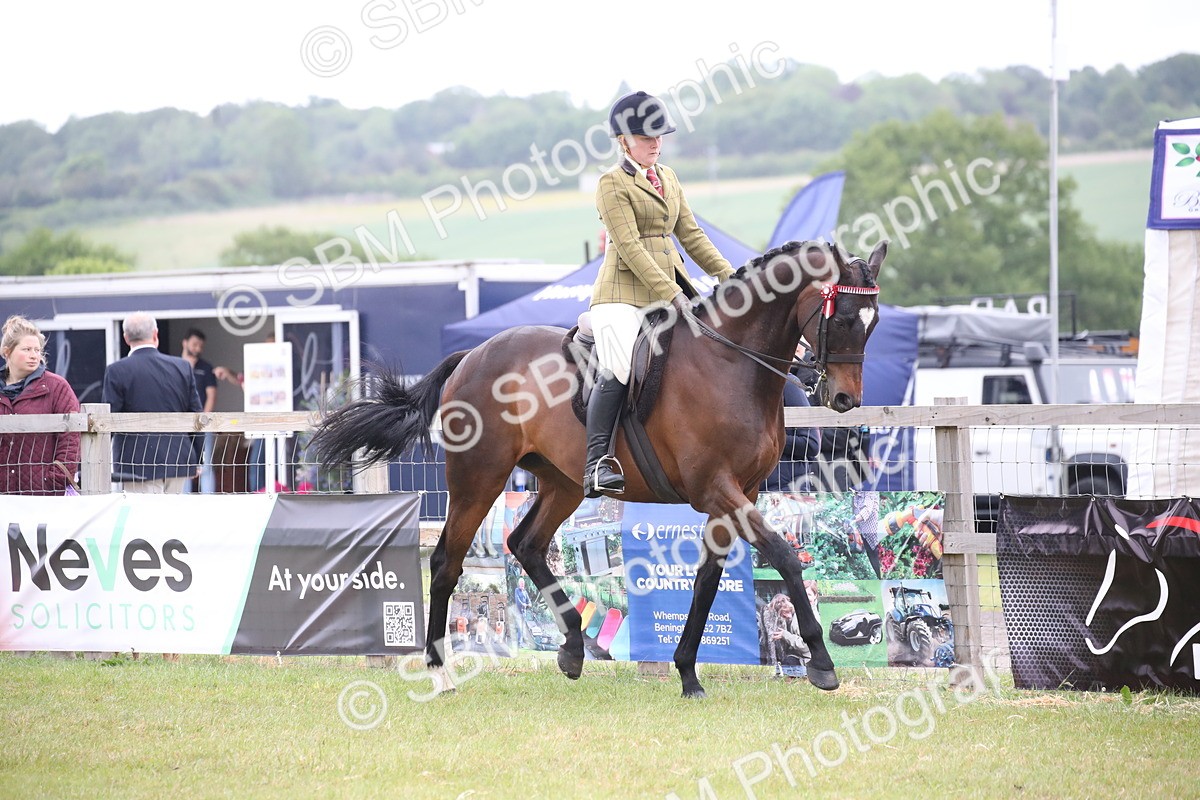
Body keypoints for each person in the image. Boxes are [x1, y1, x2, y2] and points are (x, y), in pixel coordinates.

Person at [585, 90, 736, 497]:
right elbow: (630, 247)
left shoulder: (668, 177)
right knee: (617, 367)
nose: (655, 143)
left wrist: (729, 275)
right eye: (645, 136)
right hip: (621, 296)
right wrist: (671, 293)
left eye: (659, 136)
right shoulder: (611, 183)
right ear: (623, 141)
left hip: (671, 290)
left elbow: (691, 233)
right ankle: (597, 462)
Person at [103, 312, 203, 493]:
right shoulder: (182, 367)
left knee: (143, 519)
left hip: (136, 463)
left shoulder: (116, 371)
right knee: (172, 518)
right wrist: (196, 459)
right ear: (155, 334)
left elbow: (107, 423)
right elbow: (197, 416)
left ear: (126, 338)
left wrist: (95, 462)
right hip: (178, 458)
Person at [0, 316, 81, 495]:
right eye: (27, 349)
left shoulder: (57, 387)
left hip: (43, 496)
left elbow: (71, 437)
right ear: (7, 352)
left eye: (37, 350)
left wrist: (56, 479)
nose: (34, 355)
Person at [179, 328, 218, 493]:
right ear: (185, 343)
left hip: (202, 425)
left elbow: (211, 395)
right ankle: (183, 500)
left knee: (205, 464)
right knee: (182, 465)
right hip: (180, 424)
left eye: (200, 346)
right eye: (194, 344)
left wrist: (204, 420)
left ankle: (207, 499)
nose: (197, 349)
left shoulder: (206, 367)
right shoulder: (174, 365)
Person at [759, 592, 810, 678]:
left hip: (807, 658)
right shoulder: (772, 615)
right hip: (798, 654)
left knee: (787, 662)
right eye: (785, 613)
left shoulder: (798, 621)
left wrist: (785, 635)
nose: (788, 615)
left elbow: (805, 645)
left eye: (789, 612)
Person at [851, 489, 884, 579]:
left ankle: (883, 579)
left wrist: (853, 519)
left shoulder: (870, 491)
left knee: (877, 560)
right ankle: (880, 579)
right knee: (872, 559)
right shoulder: (855, 494)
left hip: (873, 535)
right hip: (864, 534)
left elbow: (867, 511)